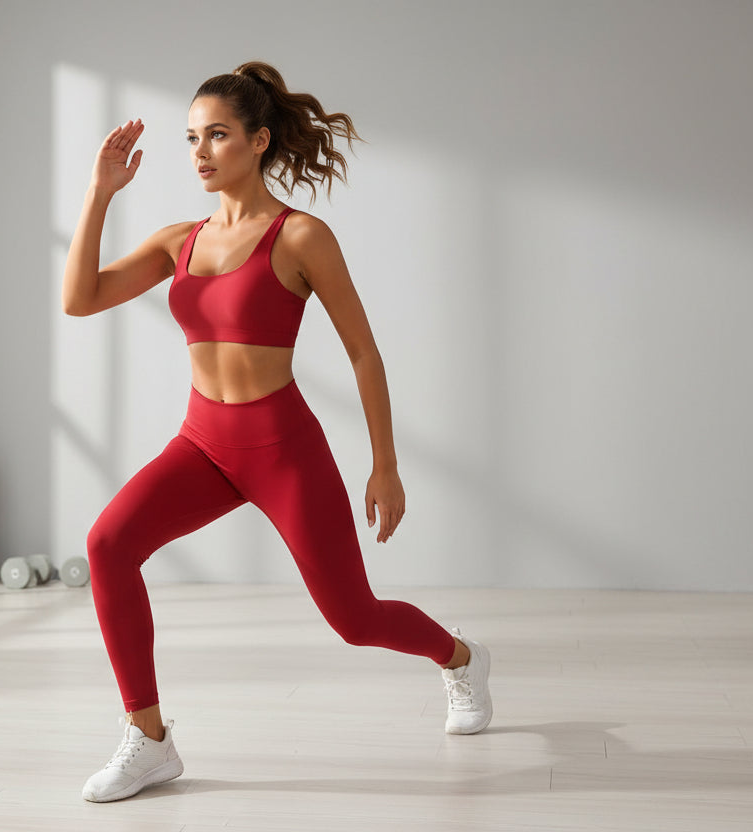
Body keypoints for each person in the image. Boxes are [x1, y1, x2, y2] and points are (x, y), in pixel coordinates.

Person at [62, 61, 492, 804]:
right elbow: (81, 298)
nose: (200, 151)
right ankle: (151, 738)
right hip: (202, 445)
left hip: (281, 448)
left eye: (218, 135)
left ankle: (460, 658)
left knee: (354, 619)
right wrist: (101, 192)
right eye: (192, 137)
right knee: (108, 544)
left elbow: (364, 352)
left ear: (258, 142)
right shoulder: (178, 242)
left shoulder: (300, 238)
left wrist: (384, 467)